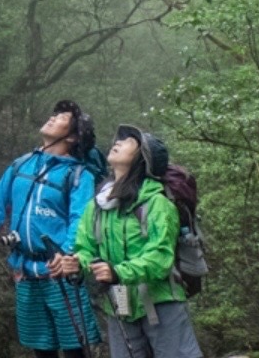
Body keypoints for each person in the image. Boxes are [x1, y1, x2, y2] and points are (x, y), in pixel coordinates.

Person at [0, 100, 105, 358]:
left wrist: (68, 254)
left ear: (72, 137)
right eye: (55, 113)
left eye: (62, 117)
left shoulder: (79, 175)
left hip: (61, 273)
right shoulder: (21, 165)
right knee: (42, 349)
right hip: (25, 270)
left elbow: (81, 221)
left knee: (75, 349)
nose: (53, 117)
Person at [53, 125, 203, 358]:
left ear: (143, 158)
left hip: (162, 302)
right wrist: (75, 262)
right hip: (119, 305)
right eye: (119, 139)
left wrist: (118, 272)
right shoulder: (98, 205)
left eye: (129, 141)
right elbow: (85, 248)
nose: (119, 142)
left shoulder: (157, 203)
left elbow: (160, 257)